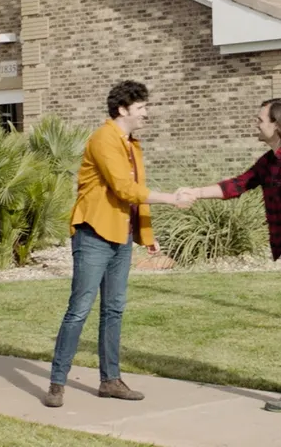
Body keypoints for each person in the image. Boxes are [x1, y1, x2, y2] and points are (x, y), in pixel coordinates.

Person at [178, 98, 281, 413]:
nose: (256, 124)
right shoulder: (271, 160)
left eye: (260, 119)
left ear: (277, 125)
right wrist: (196, 192)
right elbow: (239, 184)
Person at [43, 80, 191, 408]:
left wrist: (147, 237)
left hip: (121, 235)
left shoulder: (131, 144)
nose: (146, 114)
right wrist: (171, 198)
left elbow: (137, 192)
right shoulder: (103, 139)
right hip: (94, 233)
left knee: (114, 309)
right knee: (79, 308)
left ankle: (110, 380)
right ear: (123, 109)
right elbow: (124, 189)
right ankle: (57, 383)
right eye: (141, 108)